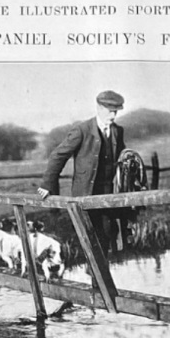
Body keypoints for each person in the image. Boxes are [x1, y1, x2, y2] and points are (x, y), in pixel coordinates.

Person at [38, 90, 126, 253]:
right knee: (91, 242)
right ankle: (96, 276)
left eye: (116, 112)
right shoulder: (81, 130)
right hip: (85, 195)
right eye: (110, 111)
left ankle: (98, 277)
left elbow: (121, 157)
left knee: (106, 240)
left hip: (109, 197)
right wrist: (47, 185)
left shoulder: (117, 131)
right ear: (99, 108)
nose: (113, 116)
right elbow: (57, 156)